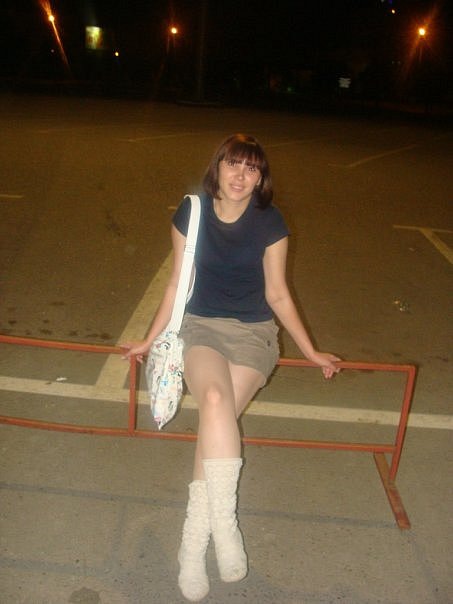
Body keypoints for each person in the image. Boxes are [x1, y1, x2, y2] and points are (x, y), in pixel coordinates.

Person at [121, 133, 340, 602]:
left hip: (254, 334)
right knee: (216, 401)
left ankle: (191, 547)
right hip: (200, 326)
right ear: (217, 168)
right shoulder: (192, 213)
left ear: (260, 178)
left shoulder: (270, 221)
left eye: (251, 168)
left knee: (214, 426)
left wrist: (310, 350)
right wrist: (150, 338)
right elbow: (175, 283)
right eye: (233, 165)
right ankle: (222, 527)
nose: (241, 176)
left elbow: (277, 293)